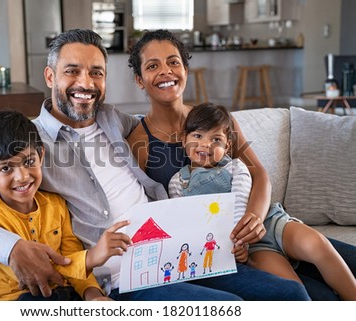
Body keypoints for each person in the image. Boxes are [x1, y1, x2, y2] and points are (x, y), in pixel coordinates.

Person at [0, 29, 248, 301]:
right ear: (50, 76)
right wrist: (10, 248)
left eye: (96, 72)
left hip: (179, 250)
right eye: (72, 71)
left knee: (284, 295)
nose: (86, 82)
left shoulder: (114, 120)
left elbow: (168, 127)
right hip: (124, 277)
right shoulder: (25, 145)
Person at [126, 29, 356, 300]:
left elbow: (258, 174)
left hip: (265, 224)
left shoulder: (217, 120)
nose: (166, 71)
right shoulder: (139, 142)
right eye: (153, 66)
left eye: (173, 61)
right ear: (140, 80)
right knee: (312, 296)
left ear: (186, 69)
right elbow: (153, 216)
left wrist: (256, 219)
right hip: (227, 249)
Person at [168, 103, 356, 300]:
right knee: (292, 289)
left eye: (216, 139)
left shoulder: (236, 168)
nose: (206, 144)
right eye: (197, 136)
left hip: (271, 223)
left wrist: (239, 239)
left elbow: (240, 205)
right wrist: (236, 248)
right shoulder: (178, 183)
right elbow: (187, 222)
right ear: (183, 139)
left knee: (317, 244)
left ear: (227, 146)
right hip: (253, 247)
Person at [0, 110, 132, 300]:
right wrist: (91, 258)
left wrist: (93, 295)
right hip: (21, 298)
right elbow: (34, 273)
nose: (22, 176)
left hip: (64, 295)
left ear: (41, 155)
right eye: (6, 168)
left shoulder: (55, 204)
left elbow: (71, 254)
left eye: (29, 161)